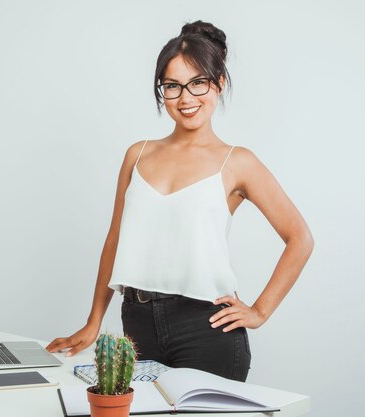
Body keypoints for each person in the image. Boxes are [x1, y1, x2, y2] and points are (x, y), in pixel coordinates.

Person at [45, 20, 314, 382]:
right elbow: (114, 241)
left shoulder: (237, 162)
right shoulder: (137, 155)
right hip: (136, 325)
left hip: (206, 329)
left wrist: (260, 310)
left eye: (197, 83)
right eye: (172, 86)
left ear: (218, 83)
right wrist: (94, 321)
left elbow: (300, 238)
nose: (186, 99)